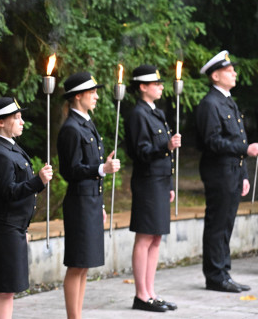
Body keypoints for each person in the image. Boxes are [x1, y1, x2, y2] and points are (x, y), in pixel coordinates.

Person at [56, 71, 120, 319]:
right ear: (78, 96)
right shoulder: (71, 128)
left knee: (84, 265)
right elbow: (69, 170)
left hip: (91, 201)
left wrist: (101, 201)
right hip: (80, 203)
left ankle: (78, 315)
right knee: (77, 264)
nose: (96, 96)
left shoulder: (86, 122)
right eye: (92, 92)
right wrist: (101, 169)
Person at [0, 96, 52, 319]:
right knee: (4, 289)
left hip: (14, 225)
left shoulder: (10, 148)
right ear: (0, 122)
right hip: (5, 226)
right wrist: (38, 181)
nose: (22, 121)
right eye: (17, 117)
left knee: (9, 289)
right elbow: (8, 192)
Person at [196, 50, 258, 293]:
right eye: (229, 70)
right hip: (218, 172)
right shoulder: (210, 104)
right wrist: (246, 149)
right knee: (218, 224)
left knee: (226, 223)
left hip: (232, 171)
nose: (234, 73)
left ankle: (223, 272)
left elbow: (234, 137)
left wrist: (243, 174)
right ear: (215, 76)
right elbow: (212, 142)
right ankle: (215, 275)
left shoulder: (227, 101)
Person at [124, 65, 180, 312]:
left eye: (160, 83)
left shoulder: (156, 112)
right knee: (145, 237)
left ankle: (151, 292)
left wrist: (169, 184)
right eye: (156, 83)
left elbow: (163, 156)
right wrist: (166, 146)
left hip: (159, 182)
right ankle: (141, 295)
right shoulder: (138, 114)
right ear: (143, 87)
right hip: (147, 182)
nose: (161, 87)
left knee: (156, 237)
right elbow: (140, 152)